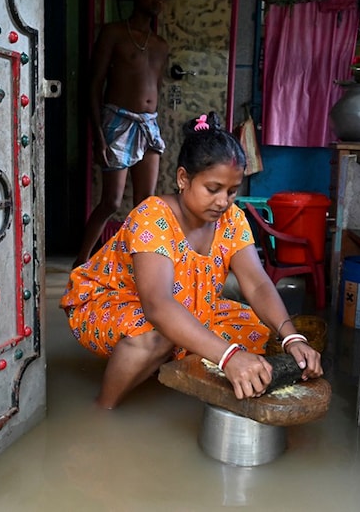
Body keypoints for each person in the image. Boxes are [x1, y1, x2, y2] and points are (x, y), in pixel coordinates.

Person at [60, 112, 323, 409]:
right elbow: (158, 305)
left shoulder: (231, 219)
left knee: (263, 335)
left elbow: (258, 284)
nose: (223, 201)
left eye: (232, 191)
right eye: (213, 189)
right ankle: (102, 409)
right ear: (183, 178)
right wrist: (228, 357)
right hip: (109, 303)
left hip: (190, 306)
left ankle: (158, 368)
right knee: (157, 335)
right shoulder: (153, 217)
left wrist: (291, 337)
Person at [73, 0, 173, 268]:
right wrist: (98, 135)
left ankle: (138, 265)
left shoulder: (160, 45)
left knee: (145, 203)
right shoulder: (114, 33)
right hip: (117, 121)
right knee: (112, 202)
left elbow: (155, 89)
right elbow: (94, 85)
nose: (158, 0)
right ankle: (81, 261)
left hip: (149, 125)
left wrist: (154, 122)